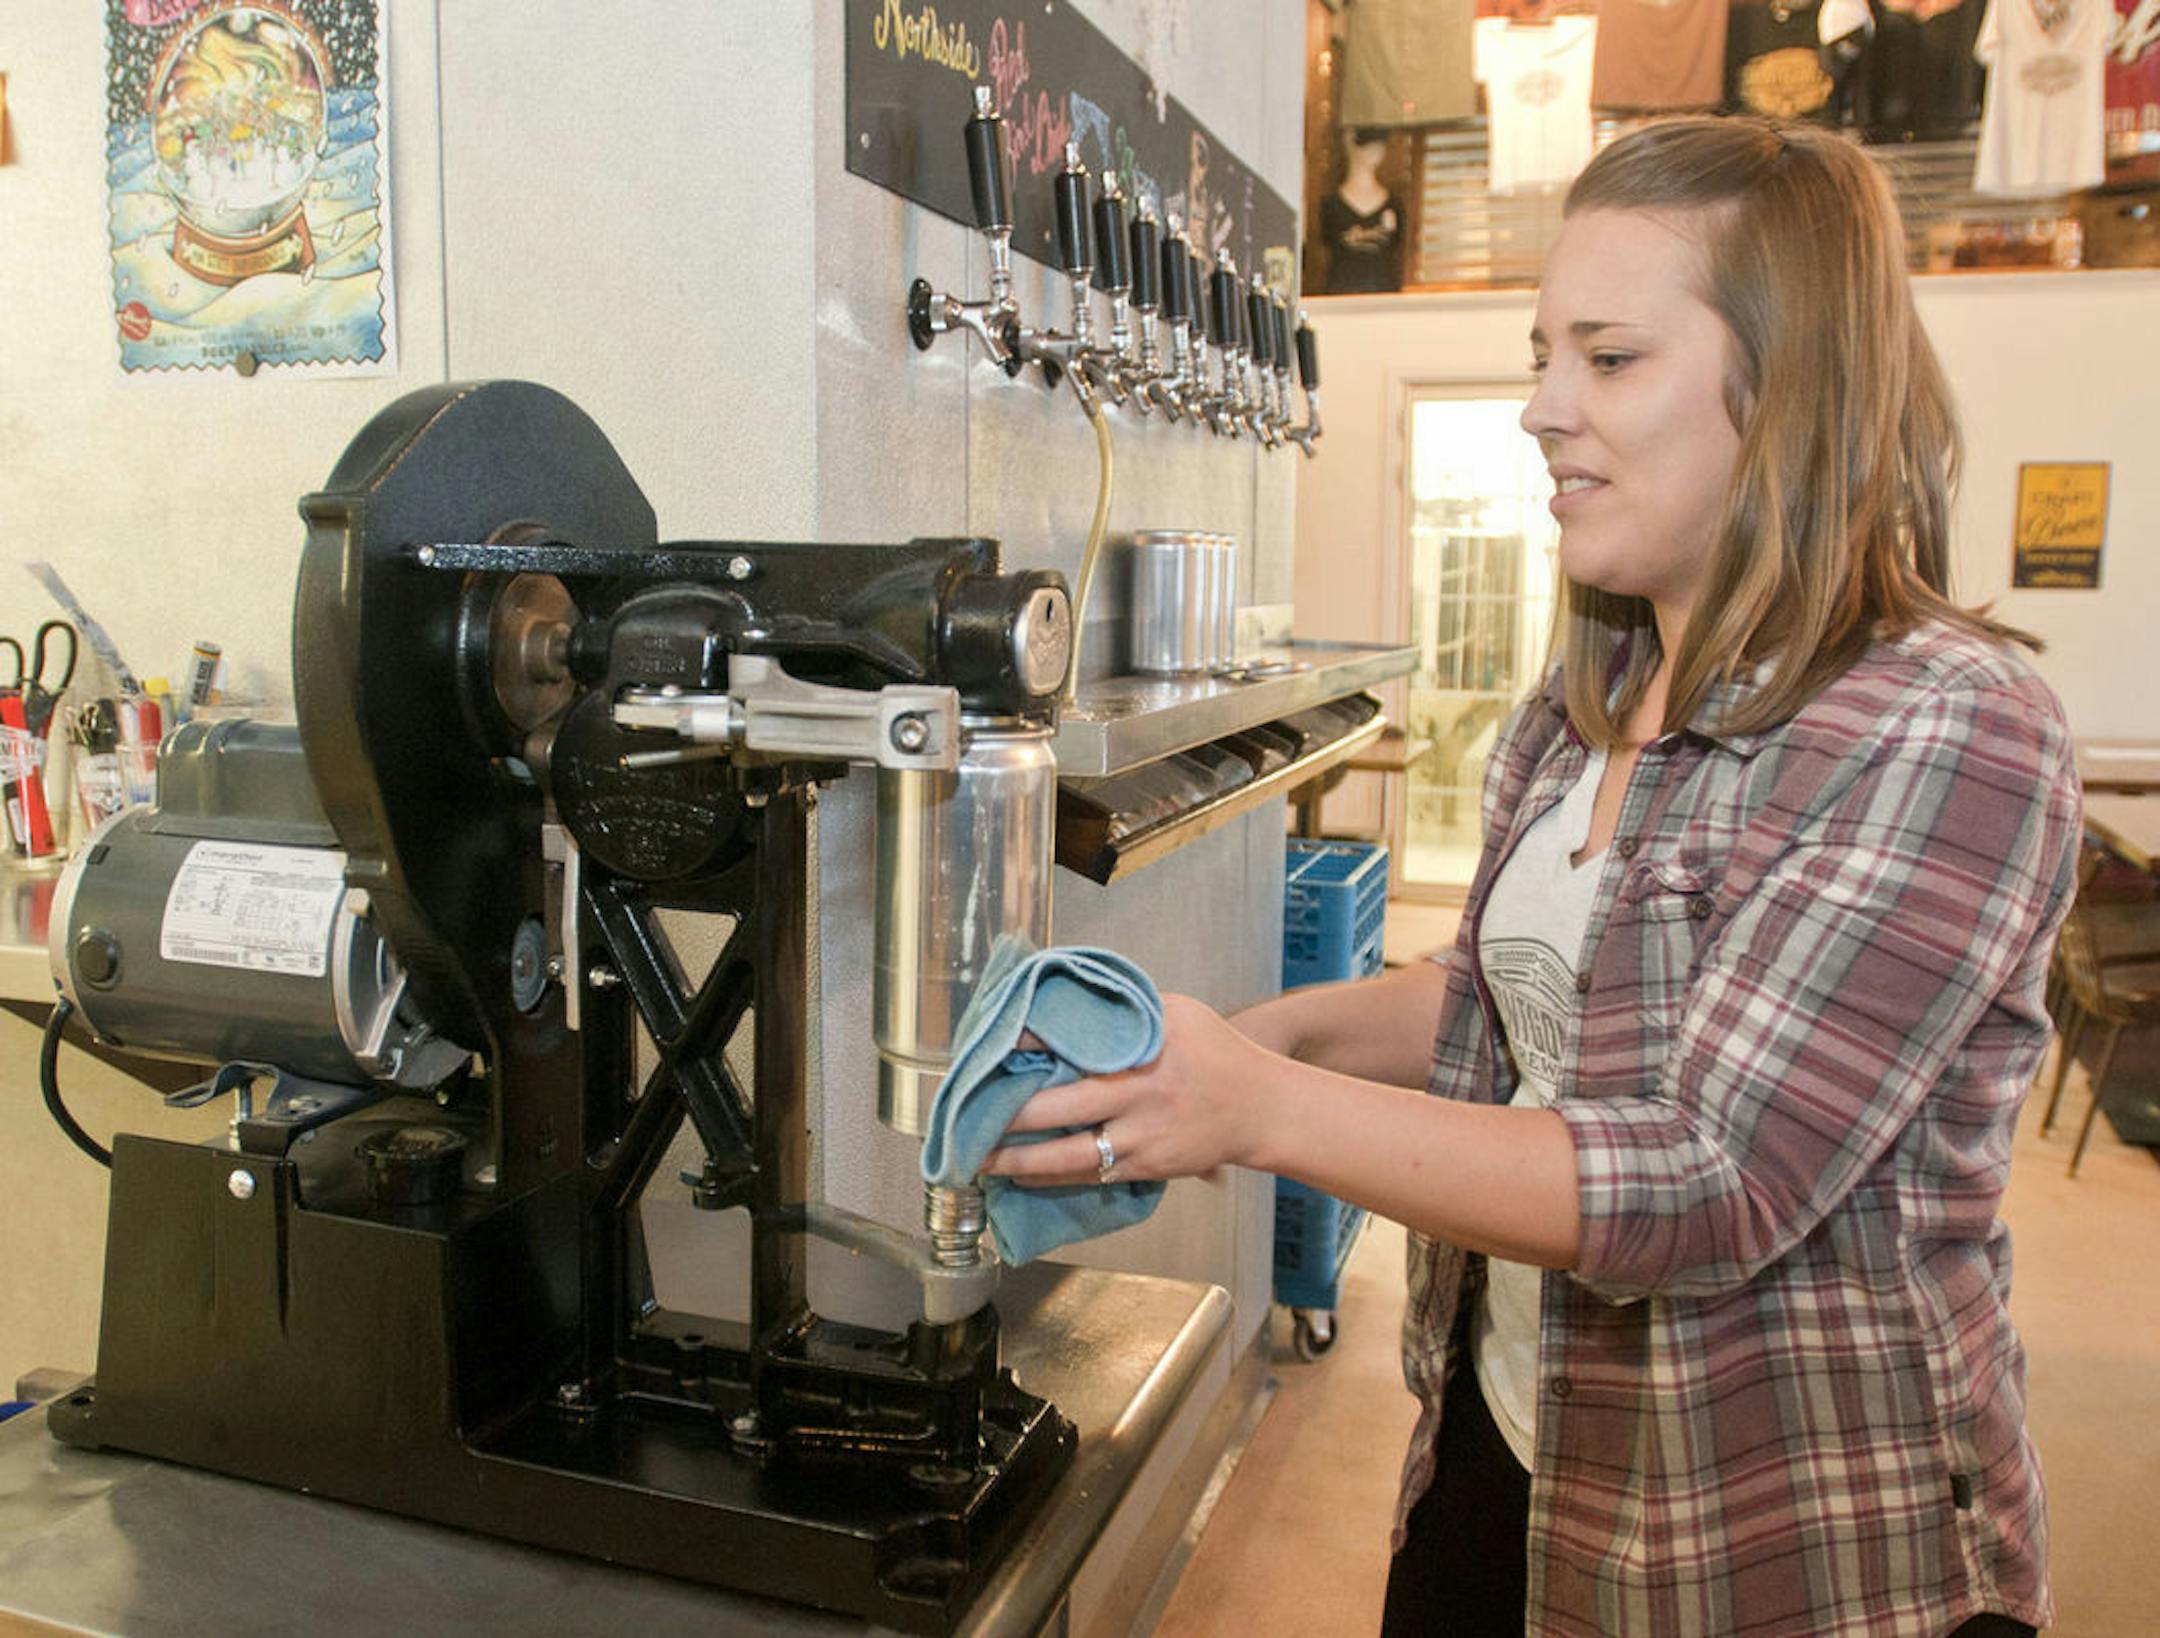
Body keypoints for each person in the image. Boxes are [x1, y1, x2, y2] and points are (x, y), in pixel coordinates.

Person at [985, 116, 2078, 1638]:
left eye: (1610, 360)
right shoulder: (1581, 705)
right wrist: (1260, 1036)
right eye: (1540, 353)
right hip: (1513, 1453)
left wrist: (1261, 1106)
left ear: (1792, 392)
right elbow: (1509, 1002)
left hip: (1780, 1545)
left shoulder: (1939, 719)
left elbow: (1712, 1174)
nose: (1542, 409)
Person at [1318, 126, 1406, 293]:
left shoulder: (1394, 205)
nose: (1376, 150)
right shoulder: (1331, 205)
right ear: (1349, 144)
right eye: (1368, 144)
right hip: (1340, 297)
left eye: (1379, 145)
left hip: (1384, 299)